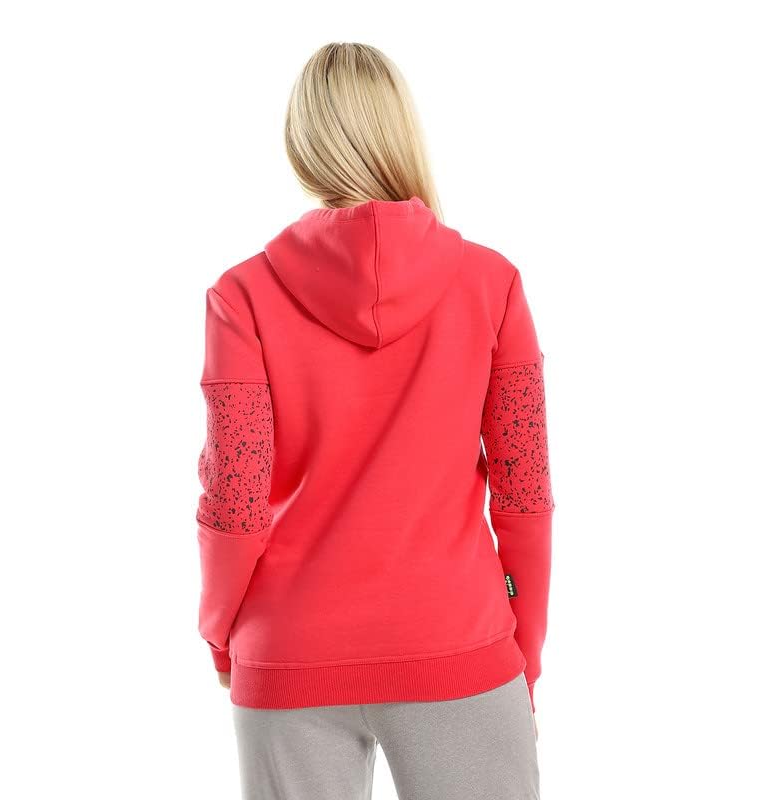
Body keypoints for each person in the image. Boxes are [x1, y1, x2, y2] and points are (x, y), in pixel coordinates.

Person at [195, 42, 554, 800]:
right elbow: (524, 492)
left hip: (288, 650)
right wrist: (525, 645)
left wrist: (221, 631)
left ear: (303, 144)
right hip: (459, 639)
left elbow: (235, 499)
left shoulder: (242, 296)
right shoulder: (493, 284)